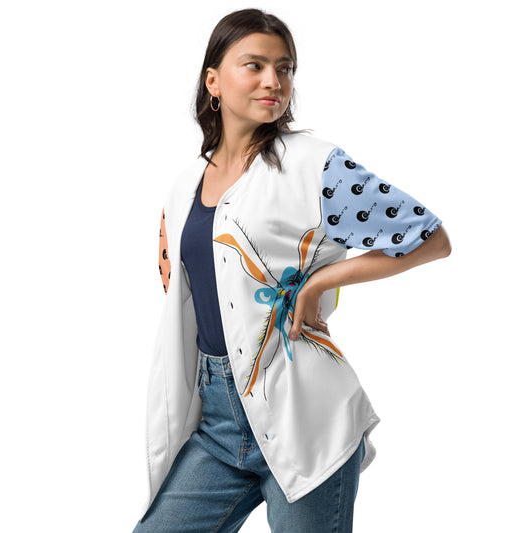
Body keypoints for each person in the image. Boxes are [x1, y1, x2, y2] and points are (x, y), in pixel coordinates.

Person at [132, 8, 451, 533]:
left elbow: (430, 238)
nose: (273, 81)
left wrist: (322, 280)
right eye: (254, 65)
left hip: (304, 415)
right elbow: (182, 288)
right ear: (212, 81)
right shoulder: (185, 185)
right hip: (216, 421)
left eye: (285, 68)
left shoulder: (314, 166)